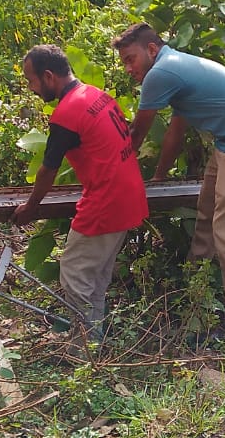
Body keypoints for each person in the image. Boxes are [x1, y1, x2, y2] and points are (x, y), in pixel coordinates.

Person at [112, 23, 225, 326]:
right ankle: (196, 285)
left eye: (130, 58)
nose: (128, 68)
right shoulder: (177, 68)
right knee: (206, 211)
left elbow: (136, 134)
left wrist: (113, 176)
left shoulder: (161, 74)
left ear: (151, 49)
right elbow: (174, 135)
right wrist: (159, 177)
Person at [12, 45, 148, 341]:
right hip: (129, 196)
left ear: (48, 76)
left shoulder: (67, 112)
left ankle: (83, 352)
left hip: (106, 203)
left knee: (75, 277)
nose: (31, 88)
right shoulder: (96, 95)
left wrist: (31, 207)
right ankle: (92, 346)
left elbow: (48, 169)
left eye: (31, 80)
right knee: (95, 279)